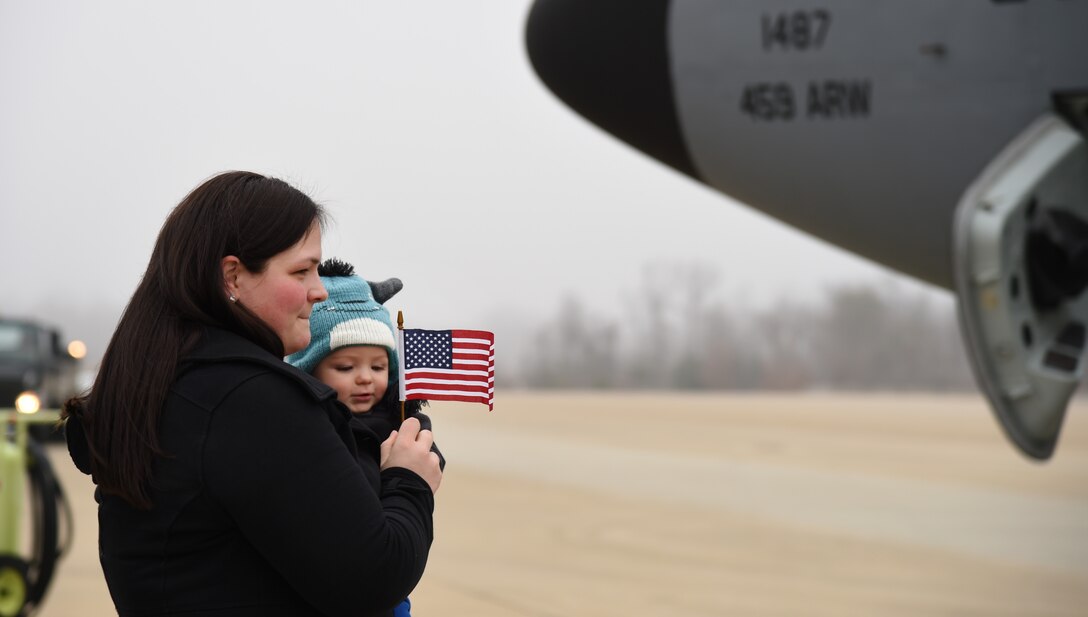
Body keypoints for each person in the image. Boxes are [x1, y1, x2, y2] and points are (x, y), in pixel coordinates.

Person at [63, 171, 442, 617]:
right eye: (301, 270)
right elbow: (374, 576)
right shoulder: (251, 401)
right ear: (233, 277)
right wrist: (408, 480)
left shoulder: (169, 380)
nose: (319, 291)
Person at [286, 258, 446, 617]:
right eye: (345, 367)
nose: (365, 378)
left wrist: (412, 465)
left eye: (378, 366)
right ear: (309, 369)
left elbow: (430, 466)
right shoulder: (307, 428)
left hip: (392, 587)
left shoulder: (402, 421)